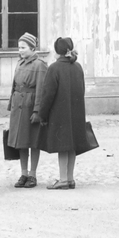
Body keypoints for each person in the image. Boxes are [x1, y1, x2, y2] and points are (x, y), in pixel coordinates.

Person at [37, 36, 90, 189]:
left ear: (57, 51)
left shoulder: (54, 68)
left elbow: (47, 95)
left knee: (62, 147)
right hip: (76, 112)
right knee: (72, 146)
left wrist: (42, 114)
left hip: (59, 114)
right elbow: (82, 90)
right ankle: (70, 178)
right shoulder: (78, 67)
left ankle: (63, 179)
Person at [6, 32, 47, 188]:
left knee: (33, 141)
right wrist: (11, 104)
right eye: (19, 47)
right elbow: (14, 86)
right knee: (21, 141)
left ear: (32, 48)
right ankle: (23, 173)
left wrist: (37, 111)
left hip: (30, 106)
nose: (20, 50)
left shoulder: (40, 65)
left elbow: (41, 90)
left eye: (23, 47)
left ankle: (32, 174)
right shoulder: (20, 63)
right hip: (18, 106)